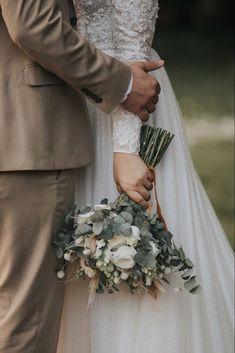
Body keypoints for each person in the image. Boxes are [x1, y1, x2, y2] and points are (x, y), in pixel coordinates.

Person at [57, 1, 234, 353]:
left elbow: (132, 35)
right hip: (79, 96)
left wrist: (126, 148)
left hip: (126, 100)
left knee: (132, 249)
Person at [0, 0, 163, 351]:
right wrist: (121, 83)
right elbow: (30, 22)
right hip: (28, 136)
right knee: (24, 326)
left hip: (41, 129)